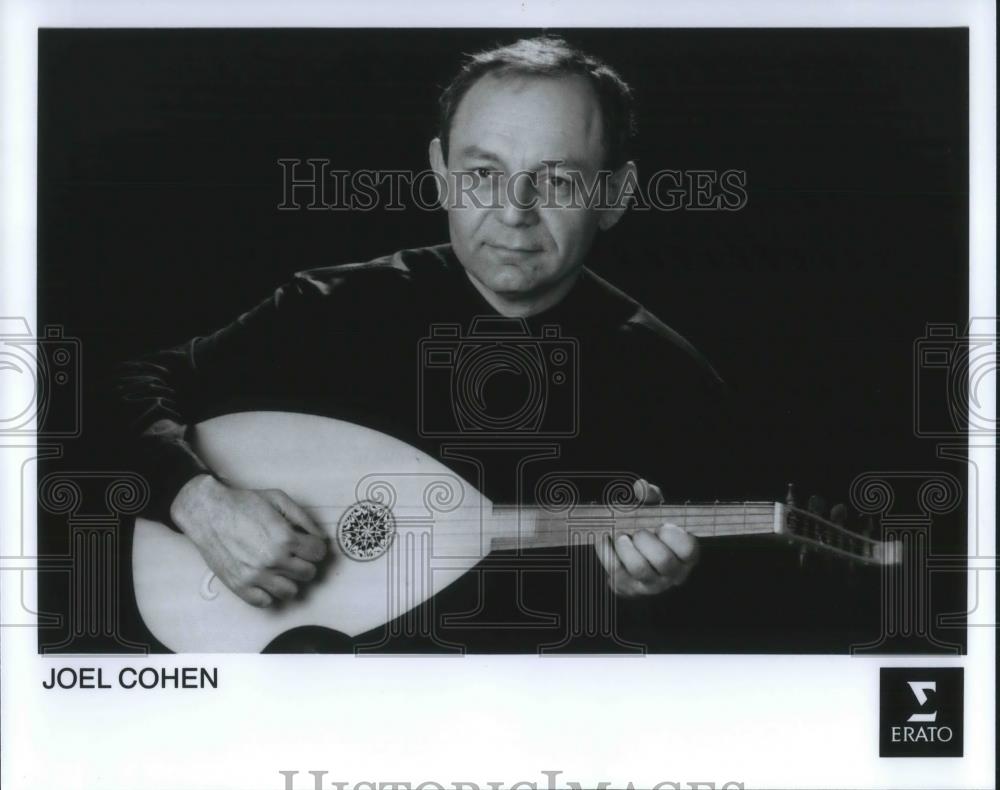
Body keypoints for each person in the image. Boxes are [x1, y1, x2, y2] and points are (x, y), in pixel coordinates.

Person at [116, 35, 730, 653]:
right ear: (440, 175)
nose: (514, 212)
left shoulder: (672, 383)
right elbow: (102, 392)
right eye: (483, 173)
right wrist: (196, 500)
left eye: (559, 180)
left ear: (615, 195)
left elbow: (724, 642)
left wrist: (656, 591)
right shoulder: (334, 313)